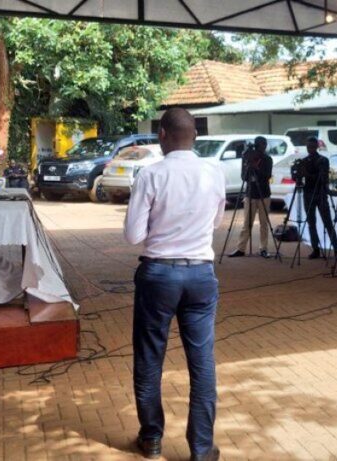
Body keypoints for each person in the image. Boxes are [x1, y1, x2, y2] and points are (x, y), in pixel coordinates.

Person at [123, 107, 224, 461]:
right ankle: (201, 449)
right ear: (194, 135)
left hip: (158, 276)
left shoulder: (151, 175)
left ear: (162, 135)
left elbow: (134, 235)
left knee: (150, 359)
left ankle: (151, 439)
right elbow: (215, 224)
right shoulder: (214, 173)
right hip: (200, 275)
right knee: (202, 363)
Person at [228, 137, 273, 258]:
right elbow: (244, 176)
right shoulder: (247, 157)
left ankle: (263, 248)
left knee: (264, 223)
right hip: (250, 193)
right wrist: (249, 165)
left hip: (264, 194)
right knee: (247, 223)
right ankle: (240, 248)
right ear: (256, 145)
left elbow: (267, 176)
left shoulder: (268, 159)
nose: (263, 147)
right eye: (261, 145)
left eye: (265, 145)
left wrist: (256, 167)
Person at [298, 137, 337, 260]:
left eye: (312, 147)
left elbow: (322, 178)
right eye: (308, 147)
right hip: (308, 193)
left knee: (328, 222)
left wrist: (307, 173)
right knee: (311, 222)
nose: (310, 149)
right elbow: (299, 178)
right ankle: (315, 249)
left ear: (317, 147)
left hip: (320, 193)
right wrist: (298, 173)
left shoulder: (323, 160)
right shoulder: (304, 161)